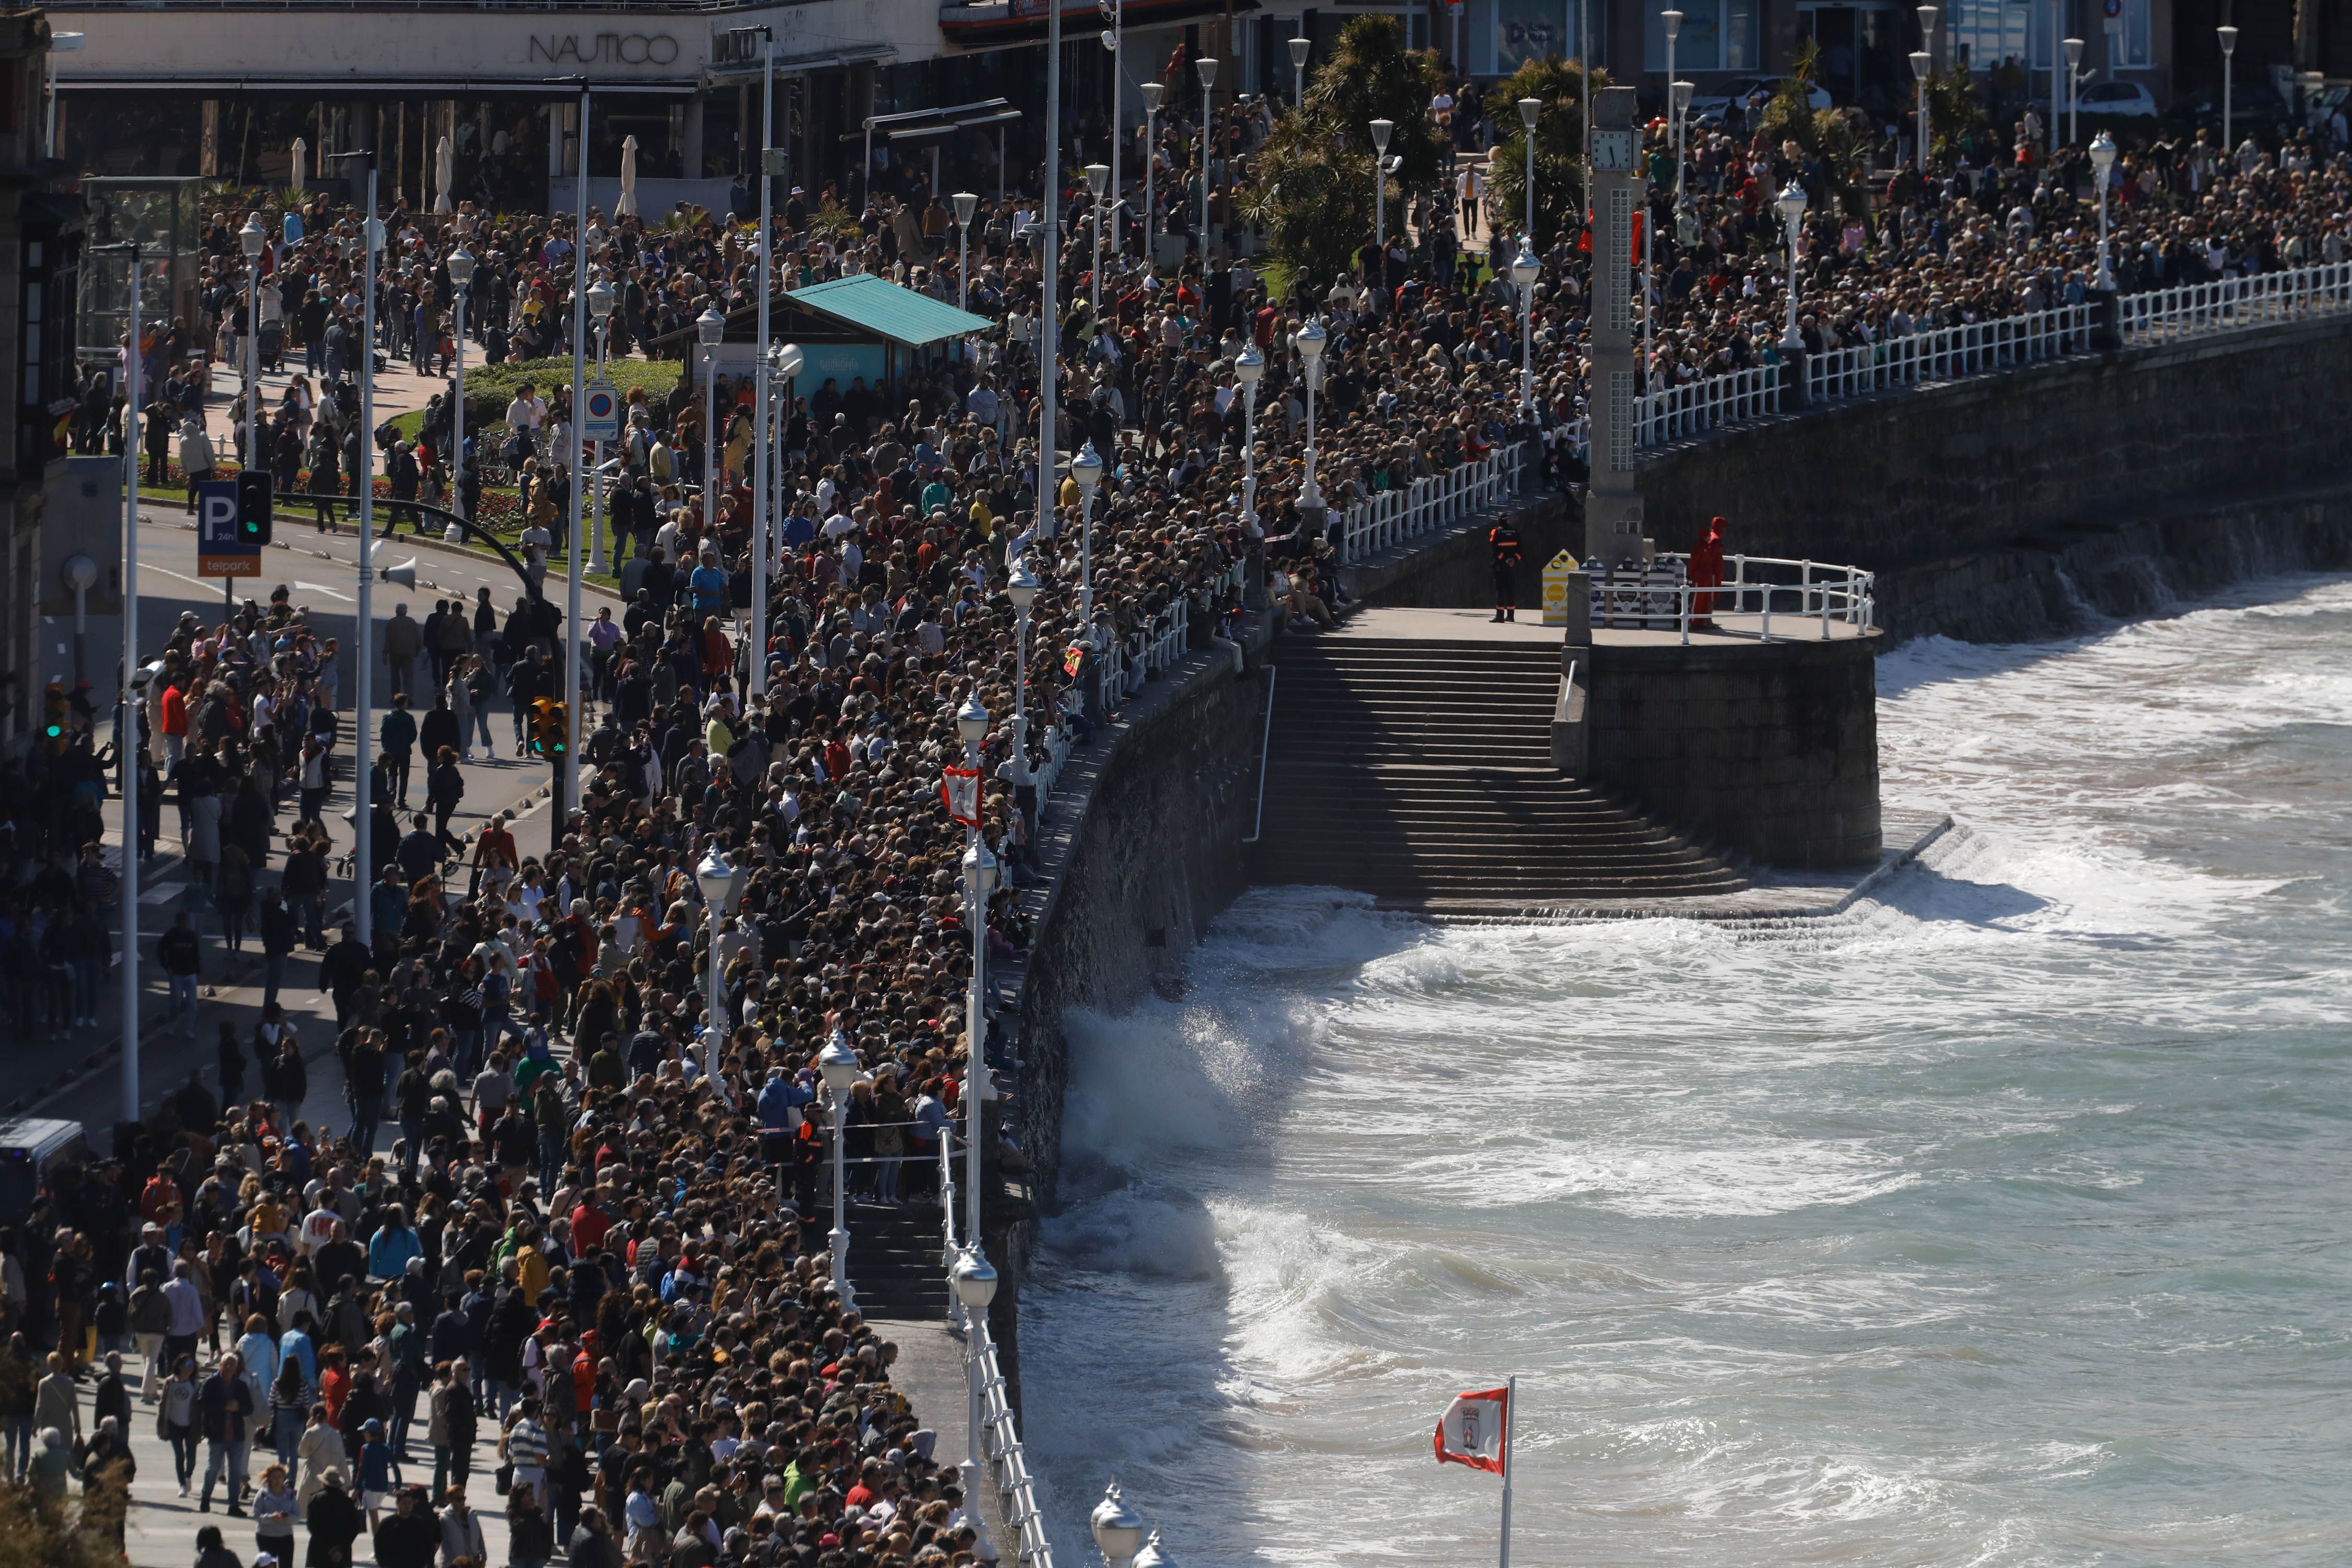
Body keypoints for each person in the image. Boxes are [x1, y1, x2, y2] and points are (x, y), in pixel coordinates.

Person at [198, 1348, 256, 1514]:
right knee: (213, 1469)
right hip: (217, 1434)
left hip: (236, 1435)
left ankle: (233, 1505)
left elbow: (249, 1408)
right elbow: (203, 1404)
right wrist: (224, 1407)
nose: (230, 1367)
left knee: (236, 1471)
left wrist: (239, 1407)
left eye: (233, 1365)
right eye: (227, 1364)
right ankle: (205, 1498)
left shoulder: (240, 1385)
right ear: (221, 1365)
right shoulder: (210, 1383)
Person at [305, 1468, 365, 1568]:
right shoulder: (348, 1502)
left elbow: (312, 1527)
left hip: (320, 1550)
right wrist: (340, 1548)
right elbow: (354, 1528)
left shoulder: (315, 1499)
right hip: (342, 1552)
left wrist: (329, 1548)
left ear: (324, 1483)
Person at [436, 1481, 487, 1568]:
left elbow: (480, 1538)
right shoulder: (444, 1518)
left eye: (464, 1498)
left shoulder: (471, 1515)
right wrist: (457, 1564)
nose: (462, 1501)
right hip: (451, 1564)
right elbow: (445, 1545)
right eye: (459, 1499)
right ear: (450, 1500)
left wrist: (483, 1557)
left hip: (471, 1563)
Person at [1487, 514, 1525, 622]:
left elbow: (1495, 550)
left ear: (1499, 520)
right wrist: (1514, 560)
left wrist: (1504, 560)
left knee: (1500, 590)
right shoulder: (1515, 532)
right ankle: (1511, 616)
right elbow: (1520, 549)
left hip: (1501, 565)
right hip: (1512, 566)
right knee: (1510, 590)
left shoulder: (1496, 532)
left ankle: (1500, 616)